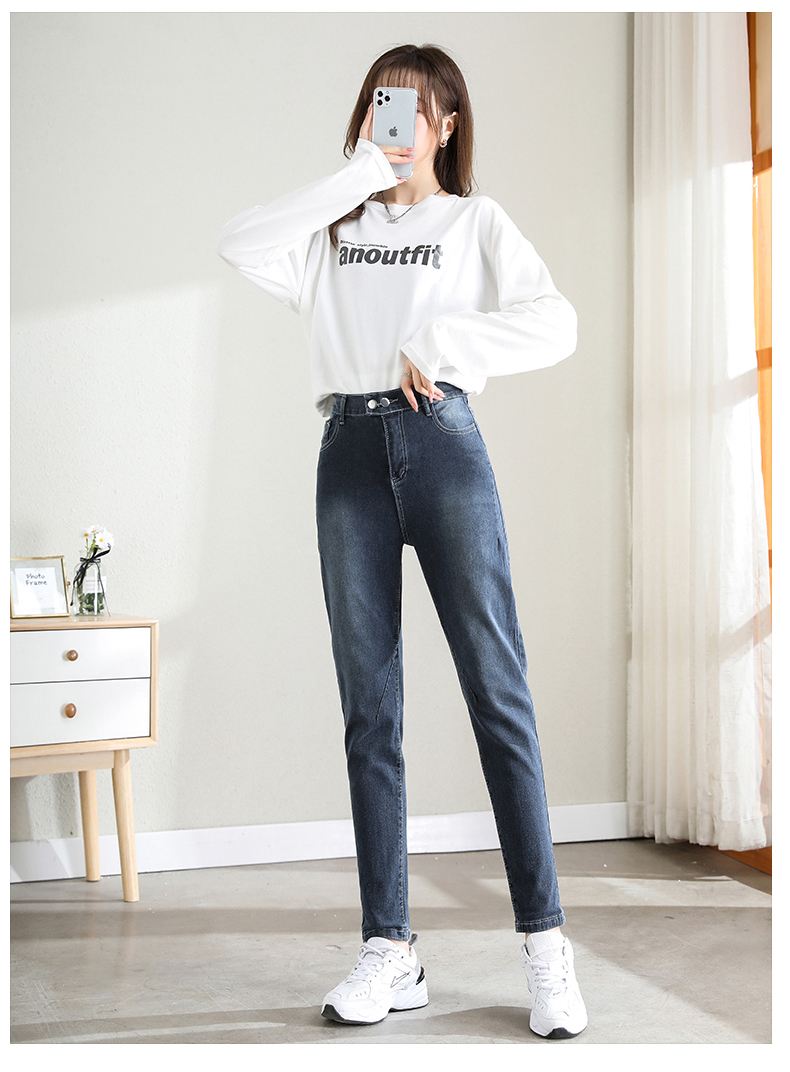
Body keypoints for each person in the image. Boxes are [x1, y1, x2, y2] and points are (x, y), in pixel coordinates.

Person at [217, 43, 587, 1040]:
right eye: (384, 104)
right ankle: (391, 948)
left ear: (449, 124)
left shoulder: (475, 222)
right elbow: (238, 242)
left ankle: (545, 946)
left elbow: (556, 322)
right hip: (347, 453)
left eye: (419, 108)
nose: (400, 123)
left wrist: (449, 343)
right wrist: (354, 179)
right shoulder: (328, 234)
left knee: (497, 694)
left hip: (443, 443)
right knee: (369, 710)